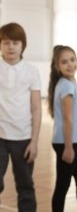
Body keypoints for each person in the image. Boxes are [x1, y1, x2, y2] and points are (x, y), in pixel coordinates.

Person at [0, 22, 42, 211]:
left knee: (25, 187)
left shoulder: (31, 71)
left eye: (15, 43)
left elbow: (36, 108)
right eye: (6, 42)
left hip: (23, 138)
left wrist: (34, 142)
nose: (10, 47)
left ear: (22, 45)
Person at [47, 45, 77, 212]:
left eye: (72, 60)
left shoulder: (68, 83)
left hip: (71, 142)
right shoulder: (66, 85)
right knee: (63, 186)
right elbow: (68, 118)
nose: (70, 64)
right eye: (64, 62)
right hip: (67, 143)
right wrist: (67, 147)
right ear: (57, 67)